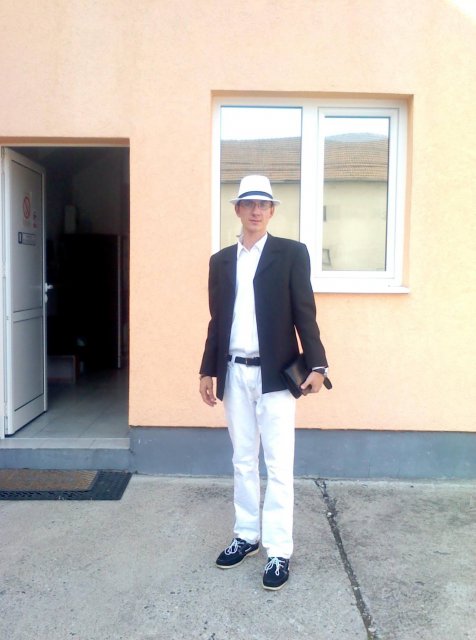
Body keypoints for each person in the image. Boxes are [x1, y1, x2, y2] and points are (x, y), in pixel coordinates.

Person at [199, 175, 328, 591]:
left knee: (278, 463)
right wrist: (207, 369)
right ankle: (246, 535)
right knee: (242, 459)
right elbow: (217, 320)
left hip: (275, 375)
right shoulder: (221, 261)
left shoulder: (291, 253)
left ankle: (278, 550)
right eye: (249, 203)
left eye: (263, 204)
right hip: (233, 372)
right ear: (237, 209)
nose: (256, 211)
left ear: (272, 211)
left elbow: (305, 312)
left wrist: (318, 365)